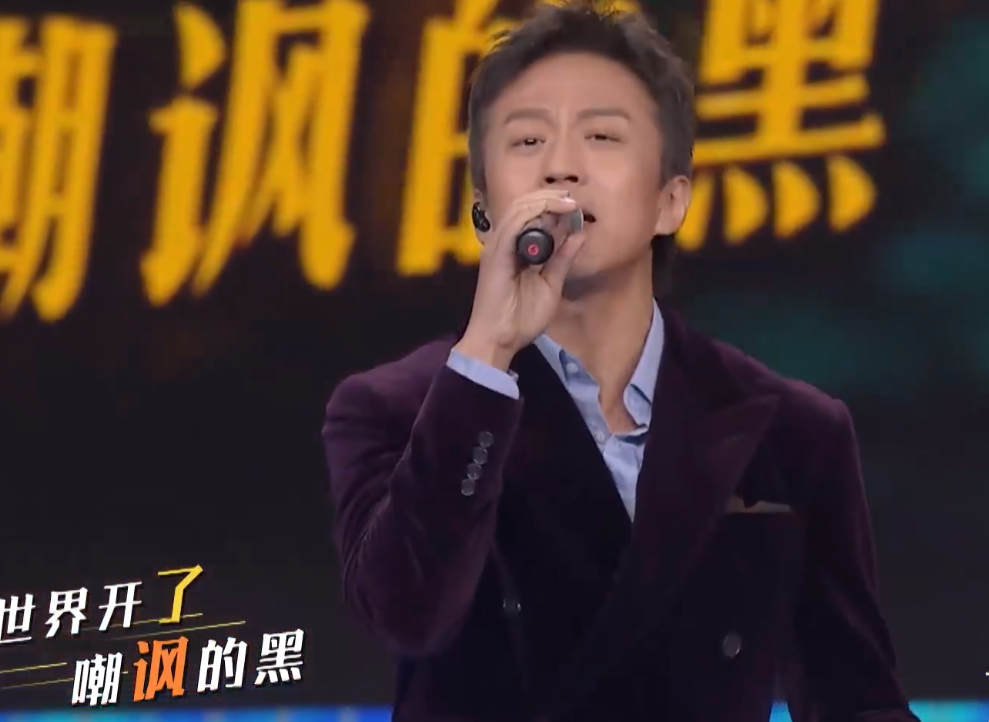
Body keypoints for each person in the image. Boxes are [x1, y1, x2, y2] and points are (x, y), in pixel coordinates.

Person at [322, 2, 918, 720]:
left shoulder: (794, 432)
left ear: (670, 201)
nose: (561, 166)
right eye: (527, 139)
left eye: (601, 135)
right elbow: (405, 613)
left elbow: (856, 699)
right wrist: (486, 356)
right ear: (483, 209)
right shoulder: (394, 407)